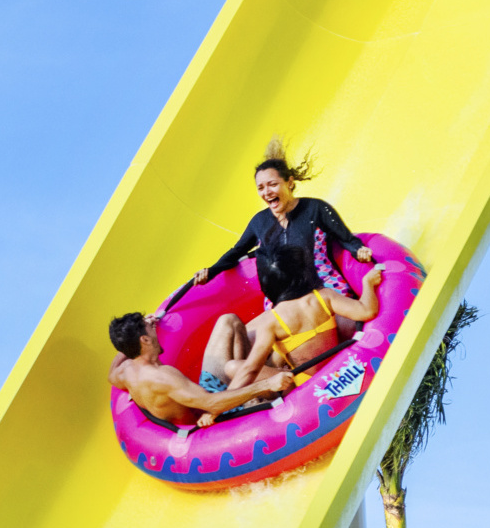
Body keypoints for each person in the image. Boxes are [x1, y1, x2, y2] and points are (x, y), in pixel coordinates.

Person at [194, 139, 368, 295]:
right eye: (261, 188)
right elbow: (236, 252)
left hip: (325, 287)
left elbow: (346, 239)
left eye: (272, 184)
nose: (266, 192)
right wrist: (211, 271)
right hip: (284, 298)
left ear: (290, 182)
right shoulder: (259, 222)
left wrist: (358, 250)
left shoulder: (315, 208)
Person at [212, 244, 384, 390]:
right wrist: (367, 284)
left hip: (303, 383)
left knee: (233, 367)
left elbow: (250, 369)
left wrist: (223, 405)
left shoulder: (272, 321)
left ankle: (229, 399)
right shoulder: (324, 296)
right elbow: (368, 311)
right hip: (334, 366)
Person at [109, 312, 294, 427]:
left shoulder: (124, 371)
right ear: (145, 340)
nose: (153, 327)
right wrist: (266, 384)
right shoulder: (163, 377)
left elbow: (110, 374)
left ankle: (250, 369)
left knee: (228, 321)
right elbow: (212, 405)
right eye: (149, 327)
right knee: (239, 370)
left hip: (206, 394)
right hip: (215, 416)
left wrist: (129, 344)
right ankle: (258, 387)